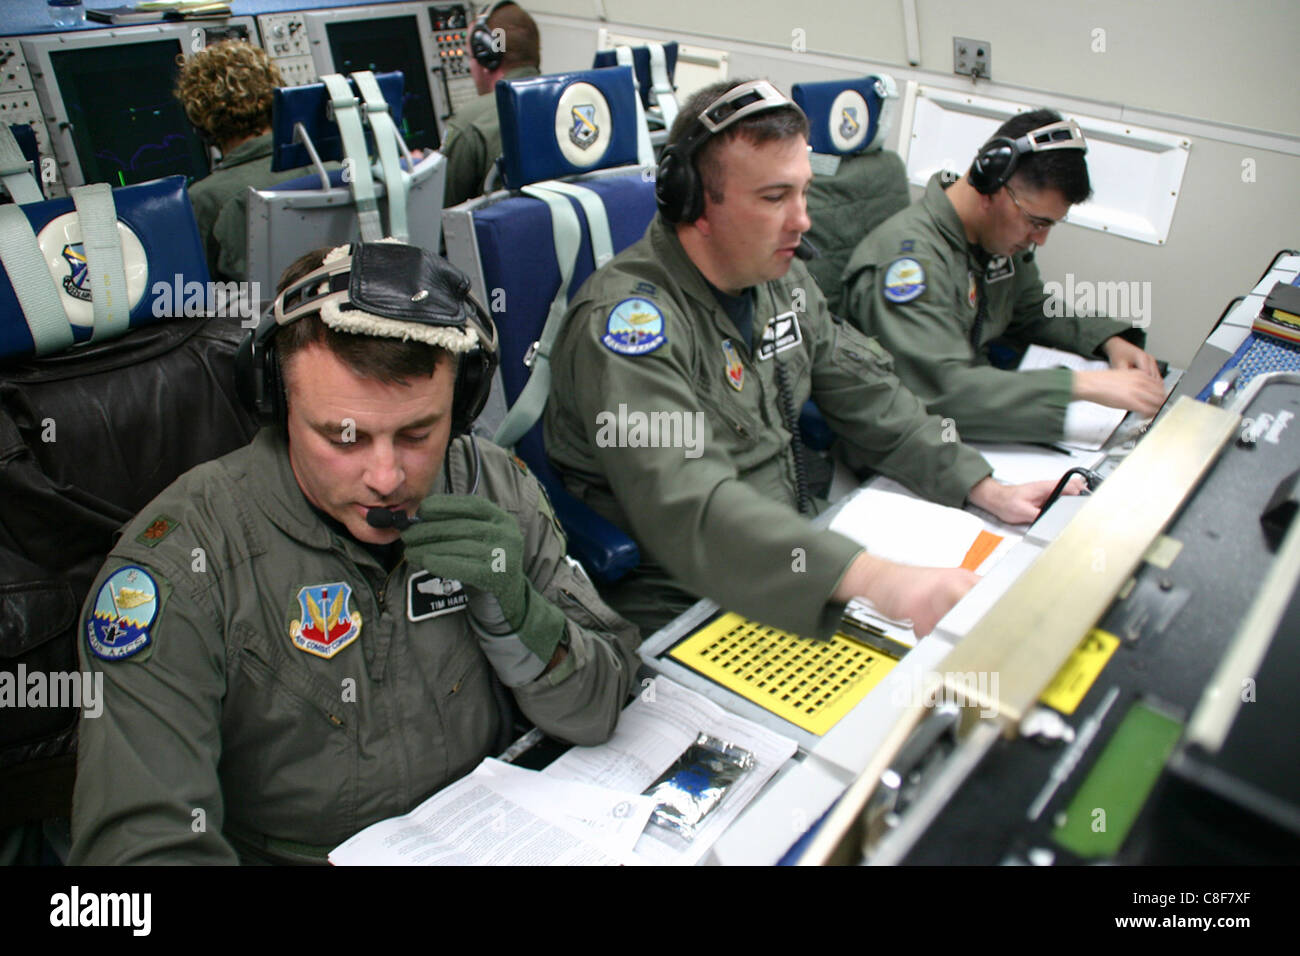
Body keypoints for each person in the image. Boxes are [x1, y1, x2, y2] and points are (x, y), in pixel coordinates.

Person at [69, 241, 639, 864]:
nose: (386, 477)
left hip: (492, 833)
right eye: (344, 437)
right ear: (277, 404)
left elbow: (600, 709)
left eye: (419, 434)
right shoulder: (180, 565)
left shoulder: (495, 489)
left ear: (465, 405)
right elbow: (142, 853)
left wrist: (520, 614)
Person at [544, 79, 1076, 642]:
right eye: (775, 198)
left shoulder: (781, 280)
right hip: (687, 593)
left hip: (800, 549)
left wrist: (981, 485)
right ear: (694, 203)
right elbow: (687, 501)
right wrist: (875, 578)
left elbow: (867, 395)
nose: (803, 221)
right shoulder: (628, 327)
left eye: (804, 192)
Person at [841, 108, 1164, 443]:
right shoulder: (910, 267)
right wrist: (1083, 385)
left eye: (1049, 225)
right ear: (989, 186)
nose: (1040, 239)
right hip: (909, 440)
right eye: (1036, 222)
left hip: (968, 414)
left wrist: (1109, 342)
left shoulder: (991, 240)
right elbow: (943, 392)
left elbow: (1031, 308)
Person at [174, 40, 322, 281]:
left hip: (257, 317)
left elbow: (188, 294)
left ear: (200, 122)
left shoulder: (204, 199)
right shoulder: (331, 170)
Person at [440, 1, 541, 208]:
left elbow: (439, 216)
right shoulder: (571, 100)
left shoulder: (470, 123)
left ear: (489, 57)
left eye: (470, 56)